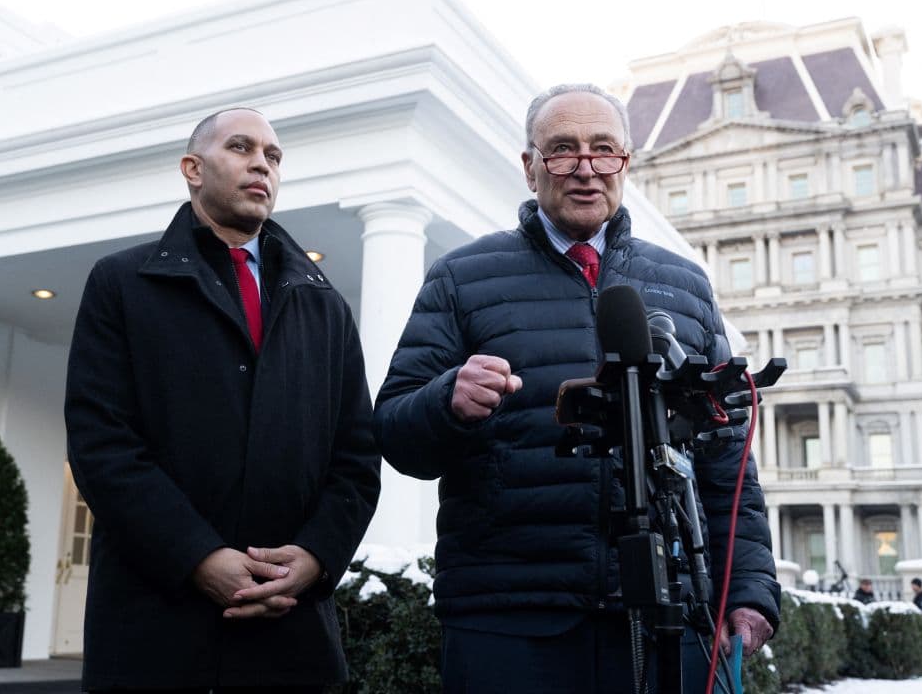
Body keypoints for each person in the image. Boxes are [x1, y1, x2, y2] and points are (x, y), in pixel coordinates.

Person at [374, 83, 780, 692]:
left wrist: (746, 589)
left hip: (668, 615)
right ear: (530, 166)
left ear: (626, 162)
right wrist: (447, 402)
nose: (585, 169)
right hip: (508, 619)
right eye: (563, 150)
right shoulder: (460, 277)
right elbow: (396, 433)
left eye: (604, 150)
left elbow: (728, 461)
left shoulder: (687, 285)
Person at [65, 108, 381, 692]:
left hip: (292, 642)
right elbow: (102, 446)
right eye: (241, 147)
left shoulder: (327, 306)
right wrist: (198, 558)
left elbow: (356, 462)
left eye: (274, 156)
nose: (262, 162)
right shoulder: (121, 283)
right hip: (154, 636)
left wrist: (313, 558)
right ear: (192, 167)